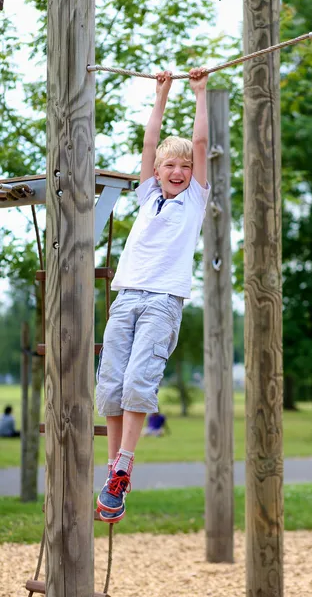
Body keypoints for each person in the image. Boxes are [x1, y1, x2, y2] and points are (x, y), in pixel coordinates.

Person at [95, 67, 210, 523]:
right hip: (126, 298)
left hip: (162, 301)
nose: (178, 171)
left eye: (184, 166)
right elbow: (149, 143)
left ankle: (124, 467)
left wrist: (198, 93)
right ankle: (111, 475)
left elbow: (200, 145)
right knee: (110, 387)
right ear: (158, 171)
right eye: (170, 165)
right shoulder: (147, 195)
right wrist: (161, 95)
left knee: (139, 384)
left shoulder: (194, 199)